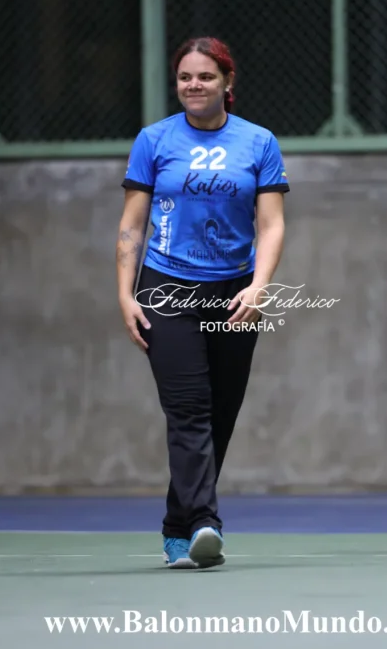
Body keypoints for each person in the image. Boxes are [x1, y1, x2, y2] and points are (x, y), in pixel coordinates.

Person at [115, 37, 289, 569]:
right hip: (166, 288)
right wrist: (124, 293)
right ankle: (205, 524)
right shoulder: (154, 140)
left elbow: (272, 224)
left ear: (227, 82)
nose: (194, 85)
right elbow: (132, 224)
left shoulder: (258, 142)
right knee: (188, 408)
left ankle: (177, 526)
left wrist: (259, 286)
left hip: (234, 293)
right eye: (185, 77)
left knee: (220, 413)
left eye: (206, 76)